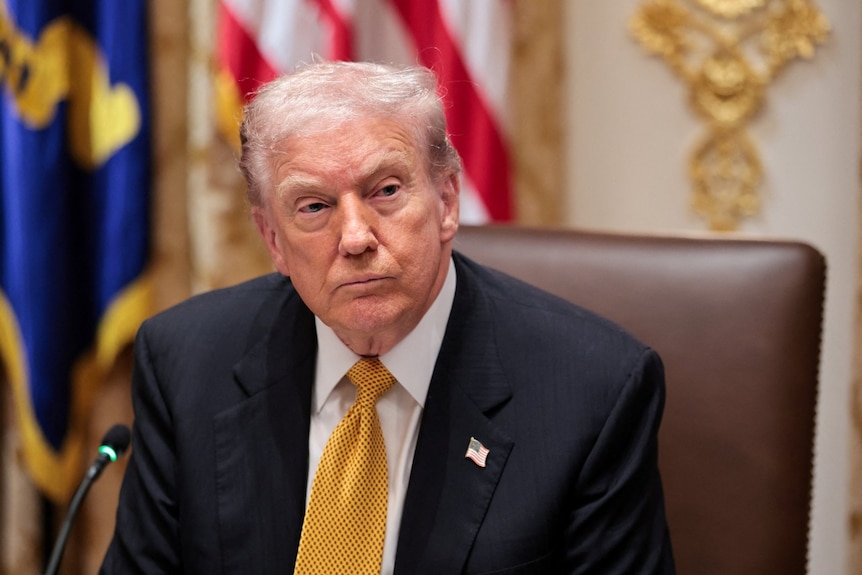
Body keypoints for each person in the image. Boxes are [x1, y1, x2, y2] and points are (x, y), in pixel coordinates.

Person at [100, 60, 675, 574]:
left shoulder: (592, 391)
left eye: (386, 191)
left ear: (447, 200)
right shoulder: (186, 361)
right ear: (272, 239)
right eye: (314, 206)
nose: (355, 237)